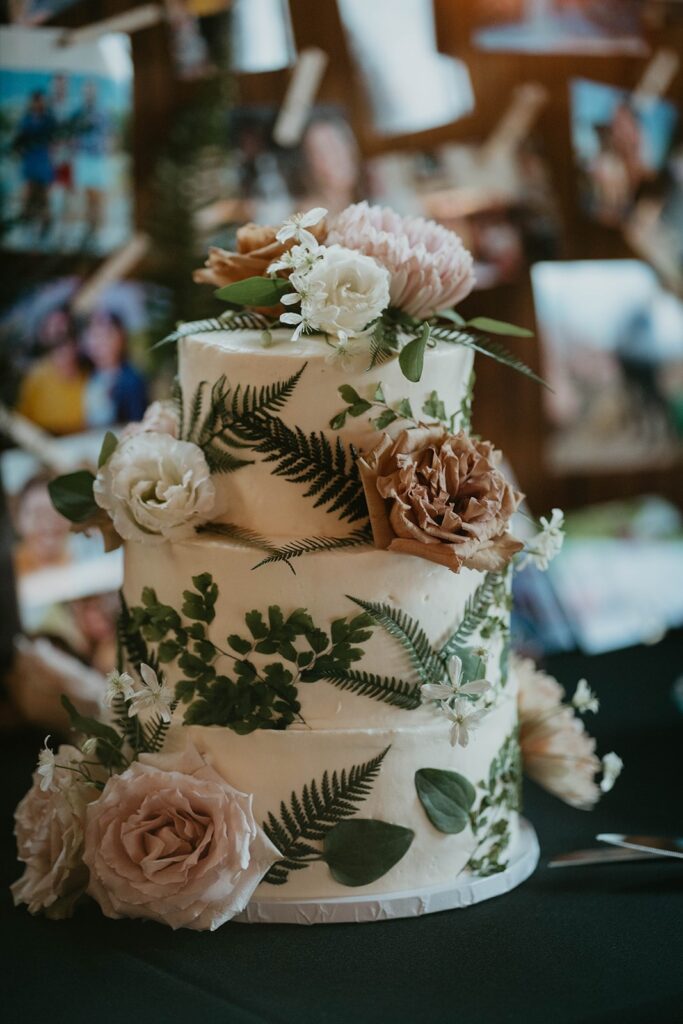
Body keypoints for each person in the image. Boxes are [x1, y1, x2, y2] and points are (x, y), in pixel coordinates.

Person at [16, 305, 88, 434]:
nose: (61, 332)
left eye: (67, 331)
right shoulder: (36, 375)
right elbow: (22, 422)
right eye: (55, 329)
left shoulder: (89, 373)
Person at [81, 311, 147, 426]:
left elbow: (136, 424)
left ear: (120, 339)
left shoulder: (131, 381)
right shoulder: (90, 374)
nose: (97, 343)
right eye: (94, 335)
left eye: (105, 336)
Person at [12, 90, 56, 239]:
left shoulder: (49, 119)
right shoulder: (26, 119)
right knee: (28, 192)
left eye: (41, 101)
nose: (38, 104)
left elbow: (54, 137)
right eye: (36, 101)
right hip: (30, 160)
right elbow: (19, 140)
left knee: (44, 196)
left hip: (43, 161)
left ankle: (45, 225)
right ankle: (26, 223)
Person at [70, 80, 109, 244]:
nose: (89, 94)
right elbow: (72, 133)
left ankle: (98, 229)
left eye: (91, 91)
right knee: (87, 194)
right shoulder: (79, 113)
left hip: (97, 157)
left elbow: (109, 134)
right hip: (84, 157)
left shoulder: (102, 112)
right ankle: (89, 229)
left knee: (97, 195)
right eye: (86, 91)